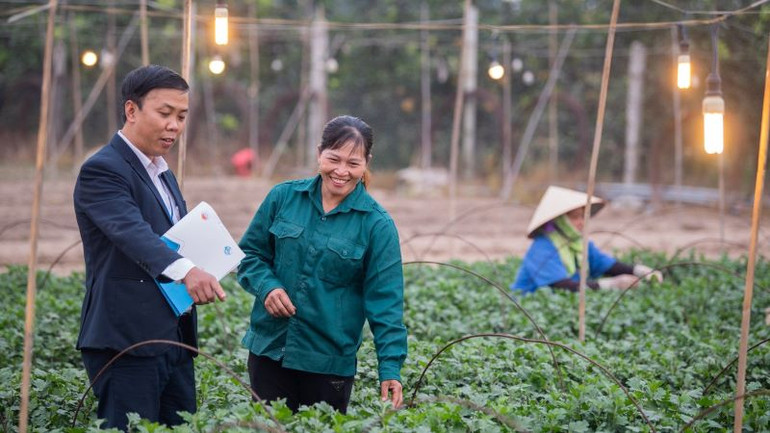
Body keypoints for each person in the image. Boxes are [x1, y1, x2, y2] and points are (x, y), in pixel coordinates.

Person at [73, 65, 226, 430]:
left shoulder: (162, 172)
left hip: (172, 335)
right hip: (126, 340)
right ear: (131, 110)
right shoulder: (103, 170)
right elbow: (132, 232)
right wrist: (187, 270)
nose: (174, 125)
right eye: (164, 113)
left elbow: (174, 236)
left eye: (182, 116)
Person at [237, 115, 407, 414]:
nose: (341, 171)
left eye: (353, 163)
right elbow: (250, 255)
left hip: (328, 363)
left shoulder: (376, 225)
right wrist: (268, 287)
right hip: (269, 351)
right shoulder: (283, 198)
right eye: (334, 159)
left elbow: (386, 302)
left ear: (367, 163)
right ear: (319, 154)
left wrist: (390, 368)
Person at [511, 185, 662, 294]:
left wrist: (638, 271)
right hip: (529, 307)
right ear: (560, 220)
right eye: (575, 217)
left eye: (583, 216)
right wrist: (610, 285)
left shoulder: (578, 243)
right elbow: (560, 286)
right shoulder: (542, 247)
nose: (582, 222)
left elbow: (604, 264)